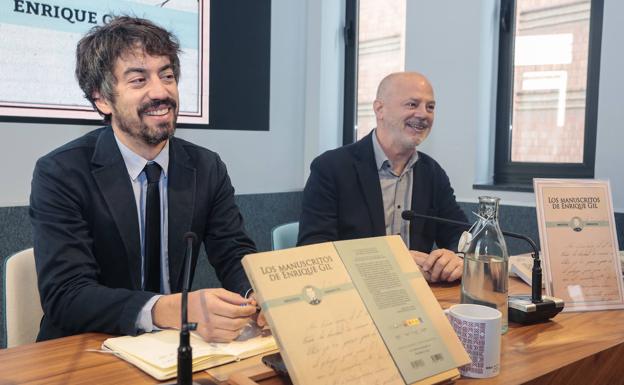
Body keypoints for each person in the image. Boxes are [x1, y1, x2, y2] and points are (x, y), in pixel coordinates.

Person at [30, 16, 262, 342]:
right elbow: (67, 294)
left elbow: (233, 251)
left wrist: (259, 296)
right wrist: (169, 310)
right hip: (87, 347)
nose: (160, 91)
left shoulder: (207, 167)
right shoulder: (61, 172)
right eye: (139, 80)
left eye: (167, 76)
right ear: (101, 98)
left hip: (174, 347)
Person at [298, 72, 467, 283]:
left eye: (430, 107)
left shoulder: (432, 173)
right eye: (412, 104)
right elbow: (314, 250)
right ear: (380, 109)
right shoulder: (331, 168)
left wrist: (456, 257)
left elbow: (461, 233)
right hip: (355, 295)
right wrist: (392, 261)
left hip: (418, 294)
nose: (423, 114)